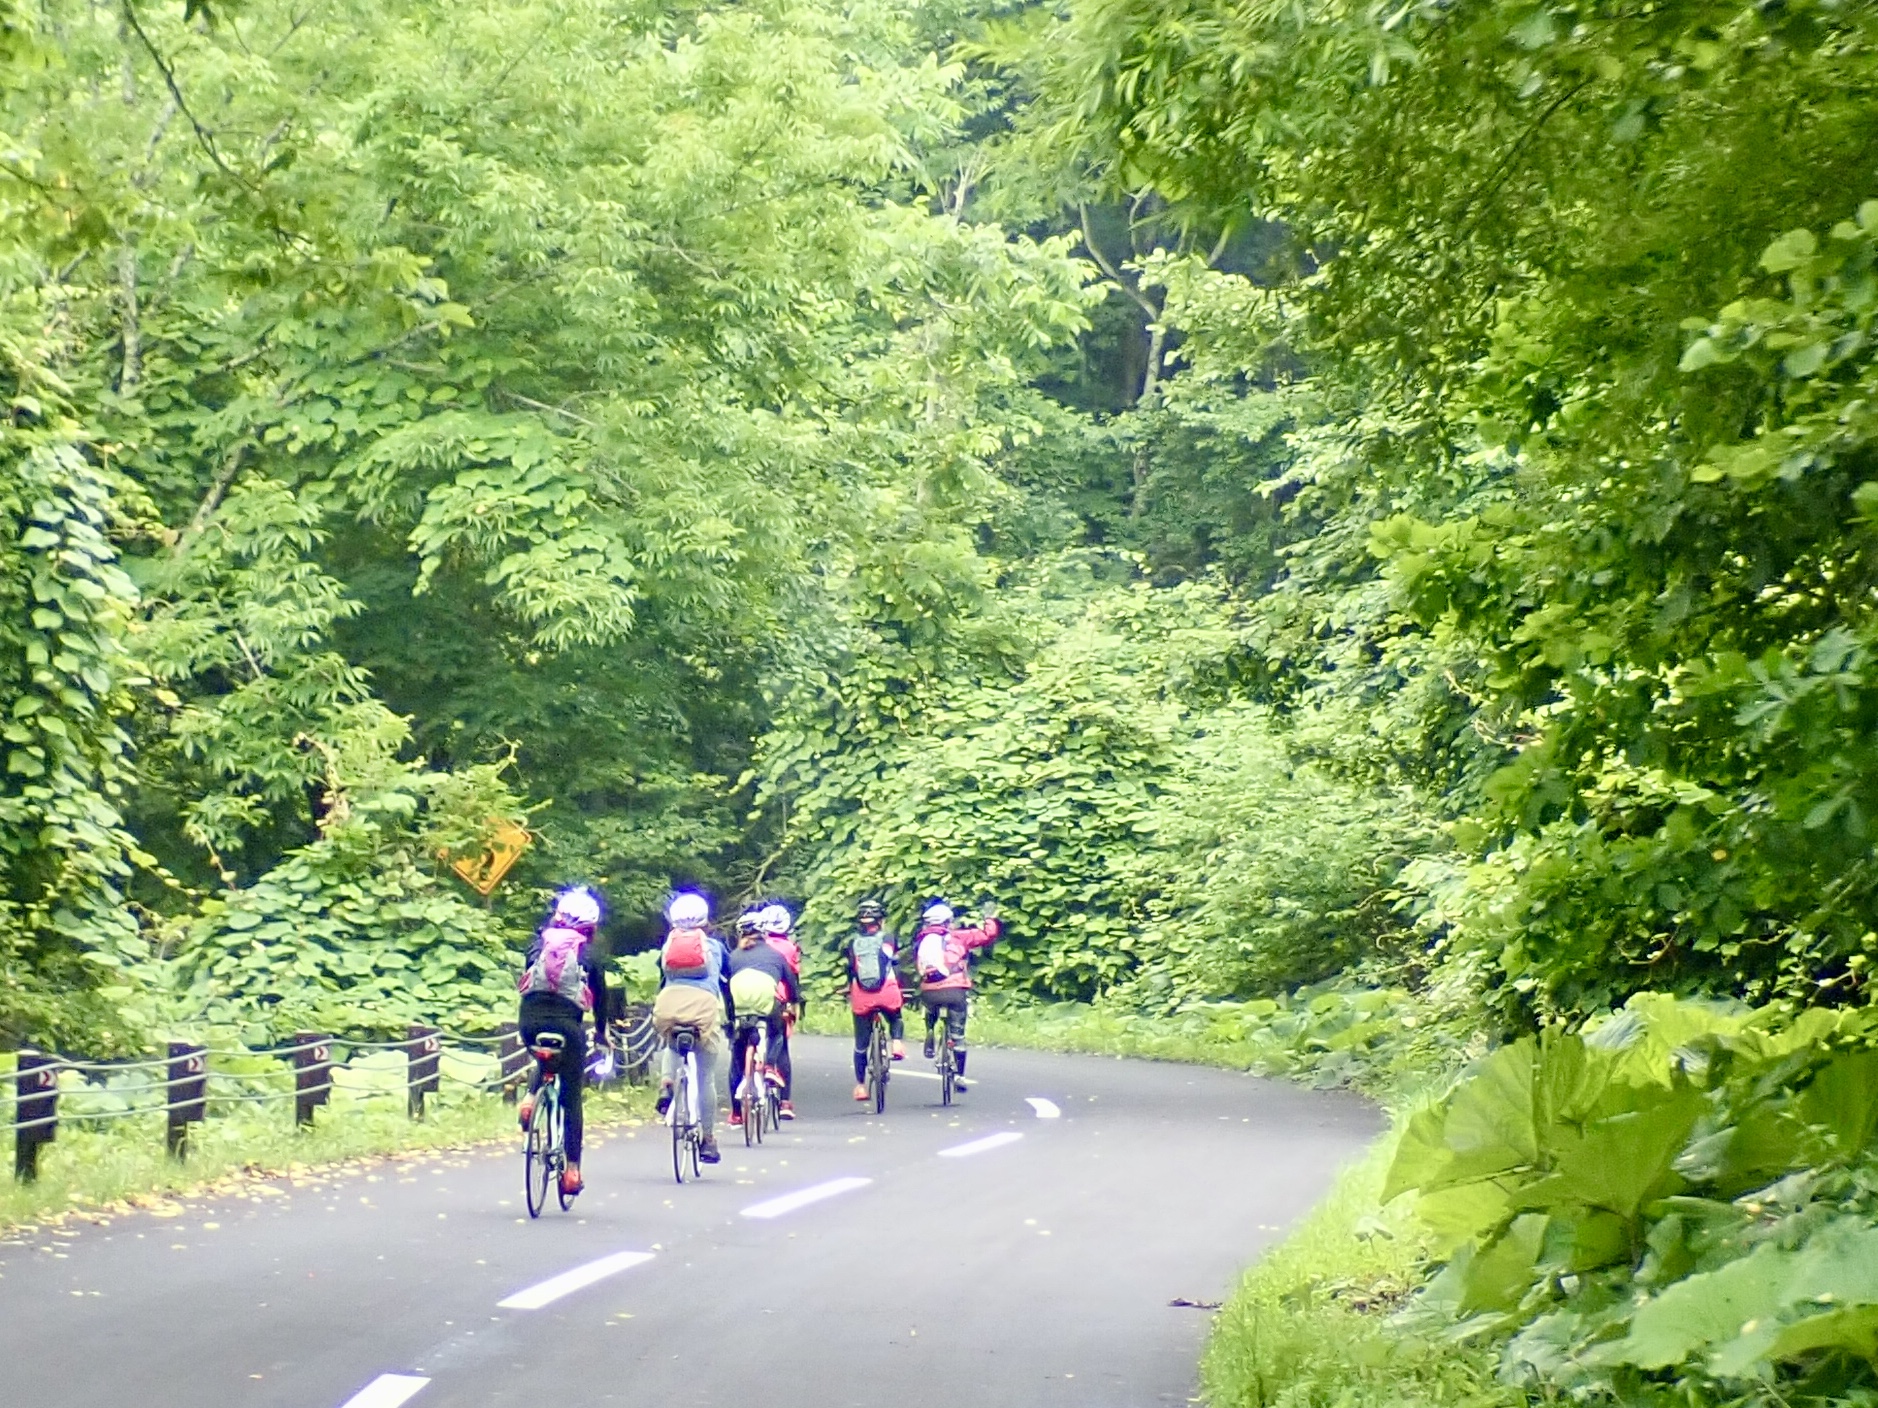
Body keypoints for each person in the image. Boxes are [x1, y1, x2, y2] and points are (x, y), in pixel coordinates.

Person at [517, 886, 610, 1197]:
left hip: (529, 1024)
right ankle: (572, 1171)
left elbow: (528, 982)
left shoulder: (536, 945)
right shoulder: (591, 955)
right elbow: (601, 1001)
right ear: (591, 926)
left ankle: (530, 1098)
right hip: (568, 1029)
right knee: (571, 1098)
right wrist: (600, 1032)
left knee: (542, 1057)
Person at [652, 890, 727, 1163]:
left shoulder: (667, 946)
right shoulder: (715, 947)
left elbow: (662, 976)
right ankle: (707, 1139)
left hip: (669, 1002)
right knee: (705, 1076)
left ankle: (666, 1084)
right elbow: (724, 980)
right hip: (703, 1006)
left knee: (671, 1041)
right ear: (705, 920)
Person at [915, 900, 1000, 1092]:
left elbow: (919, 967)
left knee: (930, 1005)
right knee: (958, 1035)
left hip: (930, 992)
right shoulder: (960, 937)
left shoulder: (922, 940)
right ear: (948, 922)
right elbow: (988, 935)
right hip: (955, 991)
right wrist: (989, 918)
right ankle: (960, 1075)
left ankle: (929, 1030)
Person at [725, 919, 800, 1126]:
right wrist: (794, 1003)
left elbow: (725, 986)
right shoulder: (775, 955)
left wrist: (730, 1019)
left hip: (739, 1006)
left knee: (737, 1058)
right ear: (763, 934)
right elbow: (791, 984)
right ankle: (769, 1066)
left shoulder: (733, 957)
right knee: (777, 1032)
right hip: (766, 1004)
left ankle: (737, 1114)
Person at [845, 898, 906, 1101]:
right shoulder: (888, 938)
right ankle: (896, 1042)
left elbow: (852, 969)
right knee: (895, 1016)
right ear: (880, 920)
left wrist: (849, 988)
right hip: (886, 991)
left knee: (860, 1044)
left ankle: (860, 1086)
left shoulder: (852, 943)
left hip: (861, 995)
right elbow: (892, 962)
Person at [756, 902, 802, 1119]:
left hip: (753, 1000)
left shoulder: (756, 946)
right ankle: (785, 1102)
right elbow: (793, 978)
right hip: (779, 1000)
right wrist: (795, 1003)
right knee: (781, 1046)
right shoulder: (790, 948)